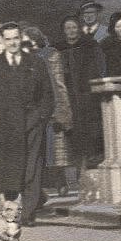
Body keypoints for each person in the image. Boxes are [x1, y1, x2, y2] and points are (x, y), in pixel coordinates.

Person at [0, 22, 54, 226]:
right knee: (11, 170)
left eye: (15, 38)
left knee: (32, 168)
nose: (12, 43)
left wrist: (41, 118)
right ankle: (11, 211)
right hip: (4, 126)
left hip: (31, 122)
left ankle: (27, 214)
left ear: (21, 38)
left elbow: (47, 94)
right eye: (8, 39)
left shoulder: (36, 62)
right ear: (2, 40)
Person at [22, 26, 73, 197]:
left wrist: (62, 109)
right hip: (35, 109)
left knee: (56, 149)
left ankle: (61, 182)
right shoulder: (24, 57)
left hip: (51, 106)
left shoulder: (51, 55)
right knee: (40, 151)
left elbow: (59, 84)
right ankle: (40, 190)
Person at [55, 16, 106, 169]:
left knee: (91, 129)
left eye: (73, 27)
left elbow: (98, 69)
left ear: (79, 29)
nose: (71, 31)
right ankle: (78, 166)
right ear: (64, 31)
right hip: (69, 96)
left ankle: (92, 162)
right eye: (67, 28)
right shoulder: (58, 49)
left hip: (87, 94)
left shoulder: (89, 46)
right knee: (73, 131)